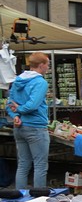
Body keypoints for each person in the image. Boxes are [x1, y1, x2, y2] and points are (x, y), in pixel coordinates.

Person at [6, 52, 50, 189]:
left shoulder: (17, 80)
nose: (48, 67)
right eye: (48, 64)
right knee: (40, 164)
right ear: (41, 65)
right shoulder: (40, 82)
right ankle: (38, 199)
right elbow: (33, 105)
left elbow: (9, 105)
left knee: (23, 164)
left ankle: (20, 198)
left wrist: (15, 116)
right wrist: (20, 110)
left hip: (19, 127)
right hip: (36, 127)